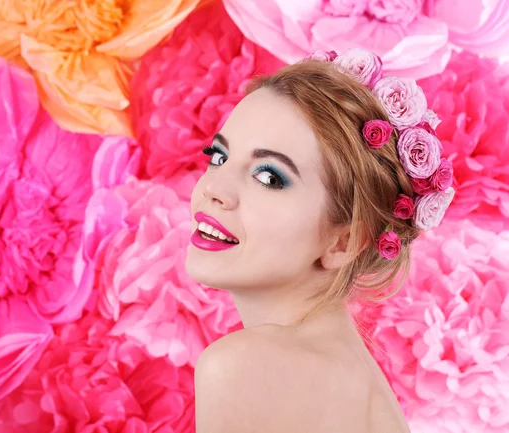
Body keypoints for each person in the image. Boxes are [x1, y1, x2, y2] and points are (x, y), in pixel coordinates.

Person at [185, 48, 454, 432]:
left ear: (343, 242)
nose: (215, 187)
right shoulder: (359, 381)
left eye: (268, 177)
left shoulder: (244, 367)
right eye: (218, 156)